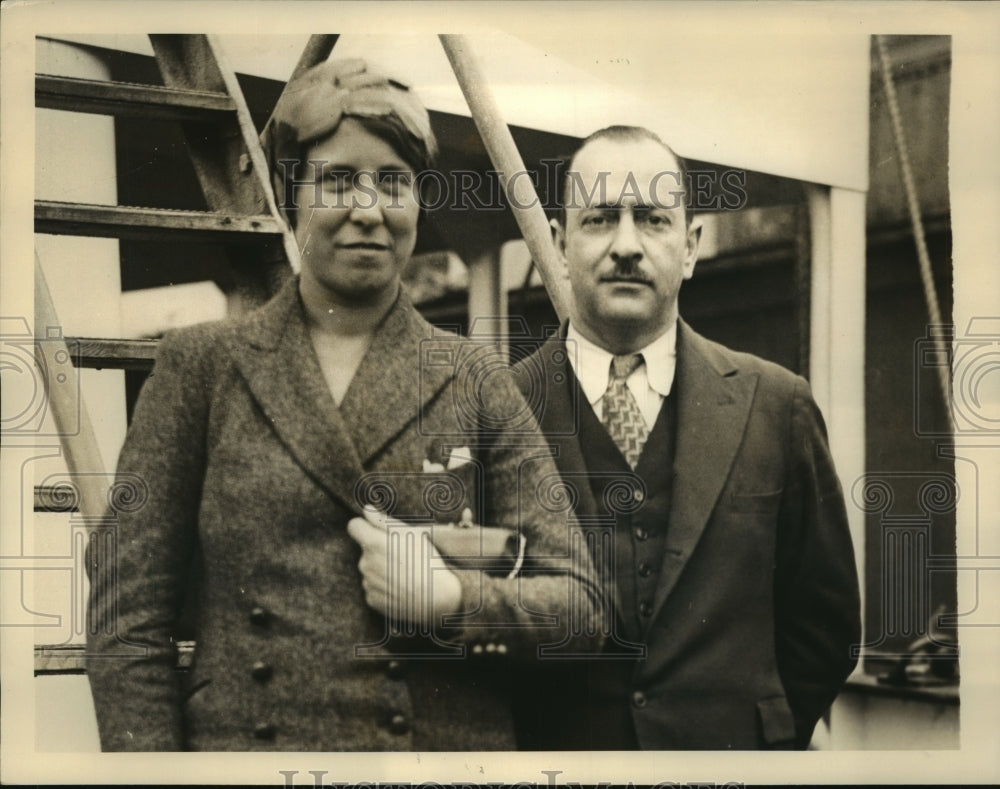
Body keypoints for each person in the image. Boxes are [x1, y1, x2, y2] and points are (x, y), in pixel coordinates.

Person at [85, 58, 602, 752]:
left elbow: (580, 605)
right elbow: (128, 621)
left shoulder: (475, 377)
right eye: (337, 180)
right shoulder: (199, 370)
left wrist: (451, 601)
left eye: (393, 182)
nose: (369, 208)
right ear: (291, 194)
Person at [510, 125, 861, 750]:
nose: (626, 246)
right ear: (561, 245)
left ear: (691, 245)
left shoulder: (778, 406)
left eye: (651, 219)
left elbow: (825, 627)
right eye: (599, 220)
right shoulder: (497, 408)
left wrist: (761, 742)